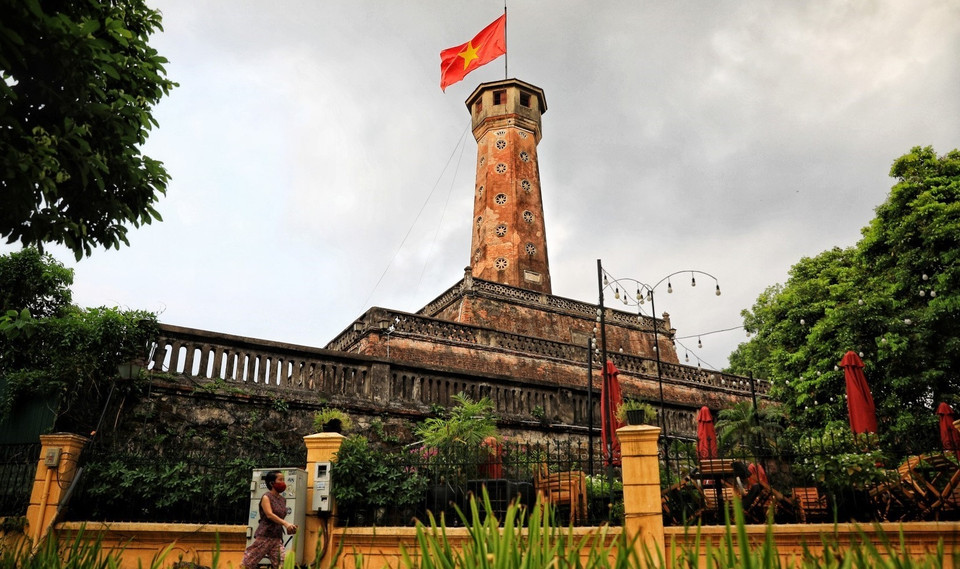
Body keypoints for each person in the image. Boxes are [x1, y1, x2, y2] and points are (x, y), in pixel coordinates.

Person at [240, 470, 298, 569]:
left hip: (276, 537)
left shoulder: (282, 499)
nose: (283, 482)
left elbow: (279, 518)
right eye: (280, 480)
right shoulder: (266, 497)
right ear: (272, 483)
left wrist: (289, 528)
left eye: (283, 480)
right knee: (248, 563)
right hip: (265, 536)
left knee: (284, 565)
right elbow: (269, 515)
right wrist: (285, 523)